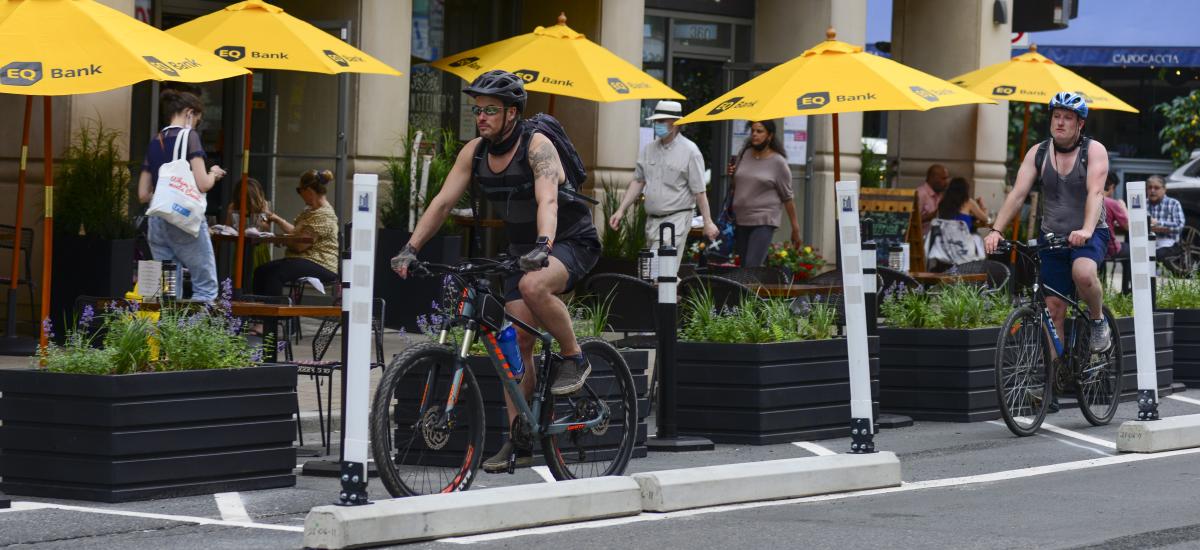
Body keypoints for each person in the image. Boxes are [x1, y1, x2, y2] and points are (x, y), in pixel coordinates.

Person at [389, 70, 600, 473]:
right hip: (524, 250)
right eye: (477, 110)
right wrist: (410, 248)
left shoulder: (537, 146)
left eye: (490, 110)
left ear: (512, 114)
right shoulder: (476, 152)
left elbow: (548, 202)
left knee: (534, 285)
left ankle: (576, 357)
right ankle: (520, 437)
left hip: (568, 240)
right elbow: (442, 202)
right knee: (515, 343)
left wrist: (543, 245)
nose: (481, 117)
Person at [984, 91, 1111, 354]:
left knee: (1083, 273)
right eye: (1056, 116)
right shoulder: (1038, 153)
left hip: (1089, 234)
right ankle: (1053, 382)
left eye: (1067, 117)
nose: (1060, 122)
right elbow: (1018, 194)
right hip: (1052, 236)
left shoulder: (1093, 151)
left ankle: (1098, 319)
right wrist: (997, 230)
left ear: (1080, 124)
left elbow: (1095, 192)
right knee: (1053, 311)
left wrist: (1086, 229)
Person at [136, 88, 226, 302]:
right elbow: (203, 184)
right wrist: (214, 173)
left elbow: (142, 194)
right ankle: (193, 334)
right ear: (189, 113)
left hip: (157, 221)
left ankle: (168, 333)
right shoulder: (189, 137)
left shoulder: (155, 140)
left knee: (166, 291)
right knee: (205, 286)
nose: (196, 125)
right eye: (197, 119)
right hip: (183, 219)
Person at [608, 100, 719, 251]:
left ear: (676, 123)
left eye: (661, 120)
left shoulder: (691, 151)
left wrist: (708, 222)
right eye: (656, 120)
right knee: (656, 272)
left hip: (677, 219)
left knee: (663, 268)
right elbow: (638, 181)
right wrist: (621, 210)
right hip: (651, 221)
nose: (657, 124)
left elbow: (699, 191)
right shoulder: (648, 149)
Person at [253, 169, 339, 296]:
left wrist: (283, 241)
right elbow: (295, 232)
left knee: (275, 274)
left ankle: (271, 315)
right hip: (303, 260)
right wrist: (276, 219)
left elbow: (300, 246)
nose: (299, 194)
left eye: (299, 190)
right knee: (261, 271)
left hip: (320, 263)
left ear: (309, 191)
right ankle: (258, 312)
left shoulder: (324, 215)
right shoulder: (310, 211)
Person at [726, 120, 801, 267]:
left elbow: (787, 197)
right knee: (745, 267)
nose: (754, 134)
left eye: (759, 131)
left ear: (770, 136)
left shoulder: (778, 162)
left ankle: (752, 289)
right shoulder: (744, 154)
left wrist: (795, 228)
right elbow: (739, 186)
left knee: (751, 266)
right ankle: (761, 289)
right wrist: (733, 175)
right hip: (741, 219)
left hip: (764, 220)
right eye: (753, 131)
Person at [225, 177, 273, 289]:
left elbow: (266, 227)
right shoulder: (234, 206)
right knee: (240, 276)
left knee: (258, 277)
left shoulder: (263, 205)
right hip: (242, 246)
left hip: (259, 247)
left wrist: (258, 217)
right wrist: (232, 214)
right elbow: (227, 227)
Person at [1146, 174, 1185, 253]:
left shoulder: (1173, 203)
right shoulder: (1143, 204)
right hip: (1147, 241)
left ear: (1164, 189)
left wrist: (1158, 223)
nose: (1152, 190)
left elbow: (1179, 226)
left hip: (1169, 242)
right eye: (1150, 187)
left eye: (1156, 188)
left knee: (1158, 254)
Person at [917, 163, 950, 236]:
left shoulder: (940, 195)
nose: (947, 182)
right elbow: (910, 220)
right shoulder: (920, 194)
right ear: (933, 178)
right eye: (943, 178)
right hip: (921, 241)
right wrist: (930, 216)